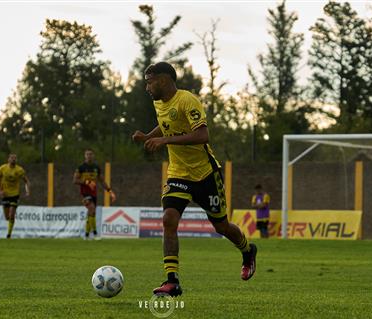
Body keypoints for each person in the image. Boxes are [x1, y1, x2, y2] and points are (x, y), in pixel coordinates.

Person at [132, 62, 257, 297]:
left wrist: (164, 141)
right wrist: (149, 136)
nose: (147, 87)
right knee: (169, 219)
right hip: (178, 173)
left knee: (221, 226)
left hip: (205, 174)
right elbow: (167, 123)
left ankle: (248, 250)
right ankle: (172, 281)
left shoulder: (188, 100)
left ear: (165, 80)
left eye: (150, 82)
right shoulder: (158, 102)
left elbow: (202, 135)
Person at [73, 148, 116, 240]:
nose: (89, 156)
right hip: (84, 193)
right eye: (87, 154)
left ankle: (87, 235)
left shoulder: (96, 168)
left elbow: (102, 181)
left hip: (93, 193)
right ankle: (95, 234)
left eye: (91, 154)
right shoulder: (81, 167)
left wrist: (110, 192)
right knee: (91, 208)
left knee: (92, 213)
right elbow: (75, 180)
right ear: (85, 156)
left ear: (93, 156)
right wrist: (87, 182)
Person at [0, 153, 30, 239]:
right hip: (5, 194)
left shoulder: (19, 170)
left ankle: (9, 234)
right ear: (8, 159)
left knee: (12, 214)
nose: (13, 159)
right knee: (7, 217)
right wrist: (0, 191)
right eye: (12, 158)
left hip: (15, 194)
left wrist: (27, 190)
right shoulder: (3, 168)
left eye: (15, 158)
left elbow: (27, 181)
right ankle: (10, 226)